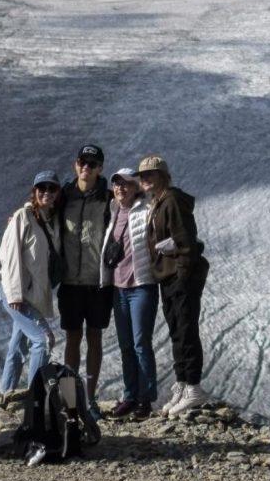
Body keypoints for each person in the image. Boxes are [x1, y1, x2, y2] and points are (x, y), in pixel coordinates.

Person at [136, 154, 208, 417]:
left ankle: (193, 387)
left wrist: (182, 275)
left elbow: (185, 242)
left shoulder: (173, 201)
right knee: (177, 330)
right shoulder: (158, 203)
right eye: (142, 175)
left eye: (150, 174)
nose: (144, 179)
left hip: (180, 277)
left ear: (163, 176)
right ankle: (182, 384)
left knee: (186, 328)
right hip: (167, 277)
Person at [53, 143, 114, 427]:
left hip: (97, 281)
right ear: (75, 164)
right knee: (72, 340)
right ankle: (68, 400)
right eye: (82, 162)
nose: (86, 168)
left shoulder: (109, 197)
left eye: (92, 163)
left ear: (101, 168)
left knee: (95, 339)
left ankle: (89, 399)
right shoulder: (63, 196)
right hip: (69, 281)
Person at [0, 171, 64, 396]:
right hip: (16, 294)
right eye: (41, 188)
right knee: (43, 340)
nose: (47, 192)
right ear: (34, 191)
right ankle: (34, 398)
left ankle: (5, 395)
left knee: (17, 346)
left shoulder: (51, 222)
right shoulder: (22, 217)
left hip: (31, 295)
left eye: (51, 188)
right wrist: (15, 294)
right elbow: (10, 256)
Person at [102, 168, 158, 418]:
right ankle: (129, 396)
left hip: (141, 285)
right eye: (117, 184)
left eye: (126, 184)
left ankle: (145, 400)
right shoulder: (113, 211)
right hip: (118, 287)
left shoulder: (146, 210)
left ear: (135, 187)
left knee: (140, 343)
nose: (120, 188)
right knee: (126, 345)